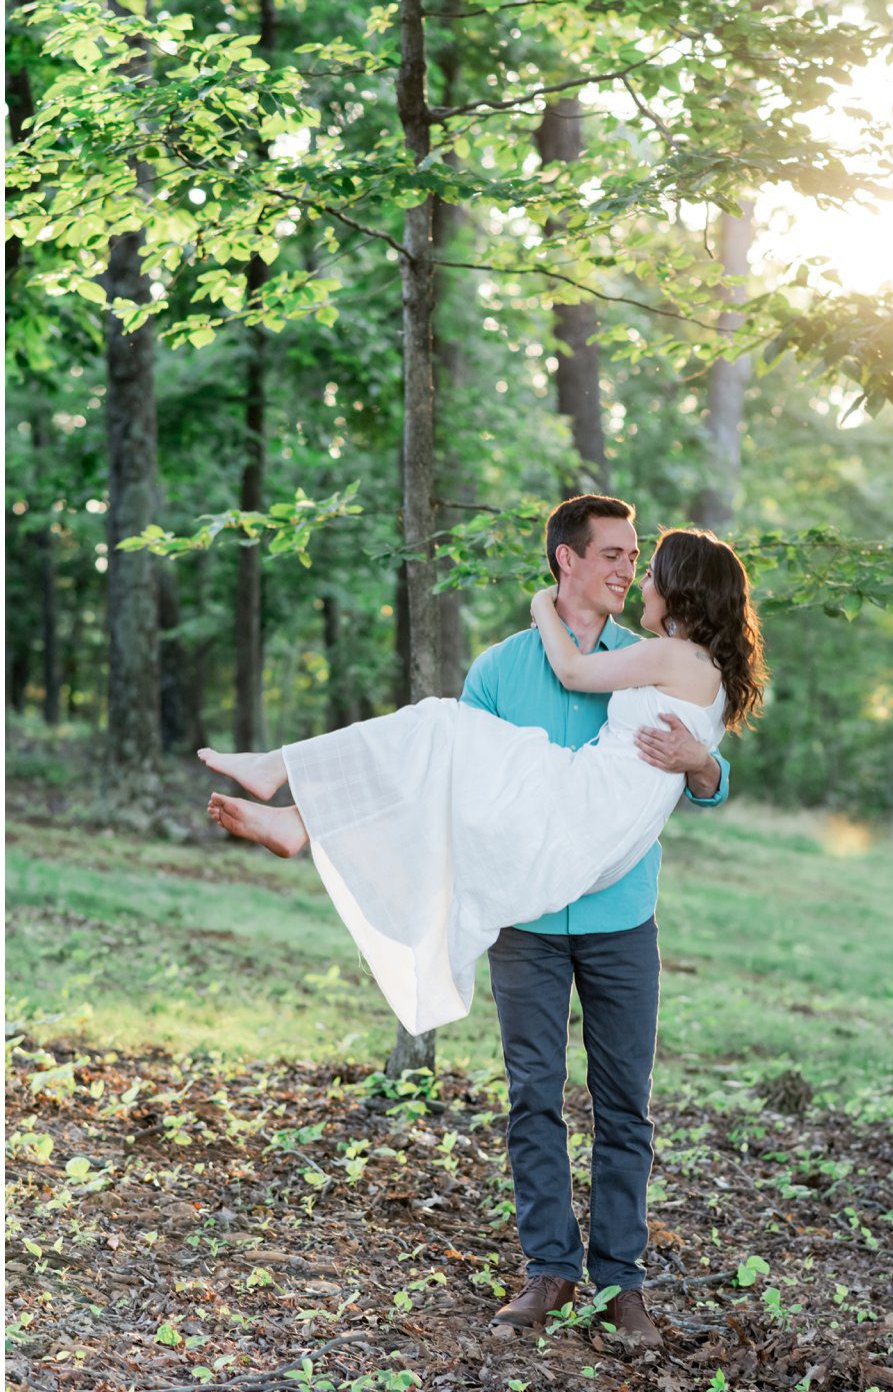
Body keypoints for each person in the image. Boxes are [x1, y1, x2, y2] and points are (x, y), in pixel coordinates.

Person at [202, 498, 764, 1348]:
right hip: (530, 908)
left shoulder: (645, 656)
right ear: (567, 558)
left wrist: (705, 765)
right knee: (533, 1094)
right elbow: (451, 798)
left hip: (617, 910)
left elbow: (693, 764)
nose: (627, 570)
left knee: (625, 1107)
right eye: (612, 554)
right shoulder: (502, 670)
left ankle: (623, 1285)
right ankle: (549, 1270)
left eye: (639, 560)